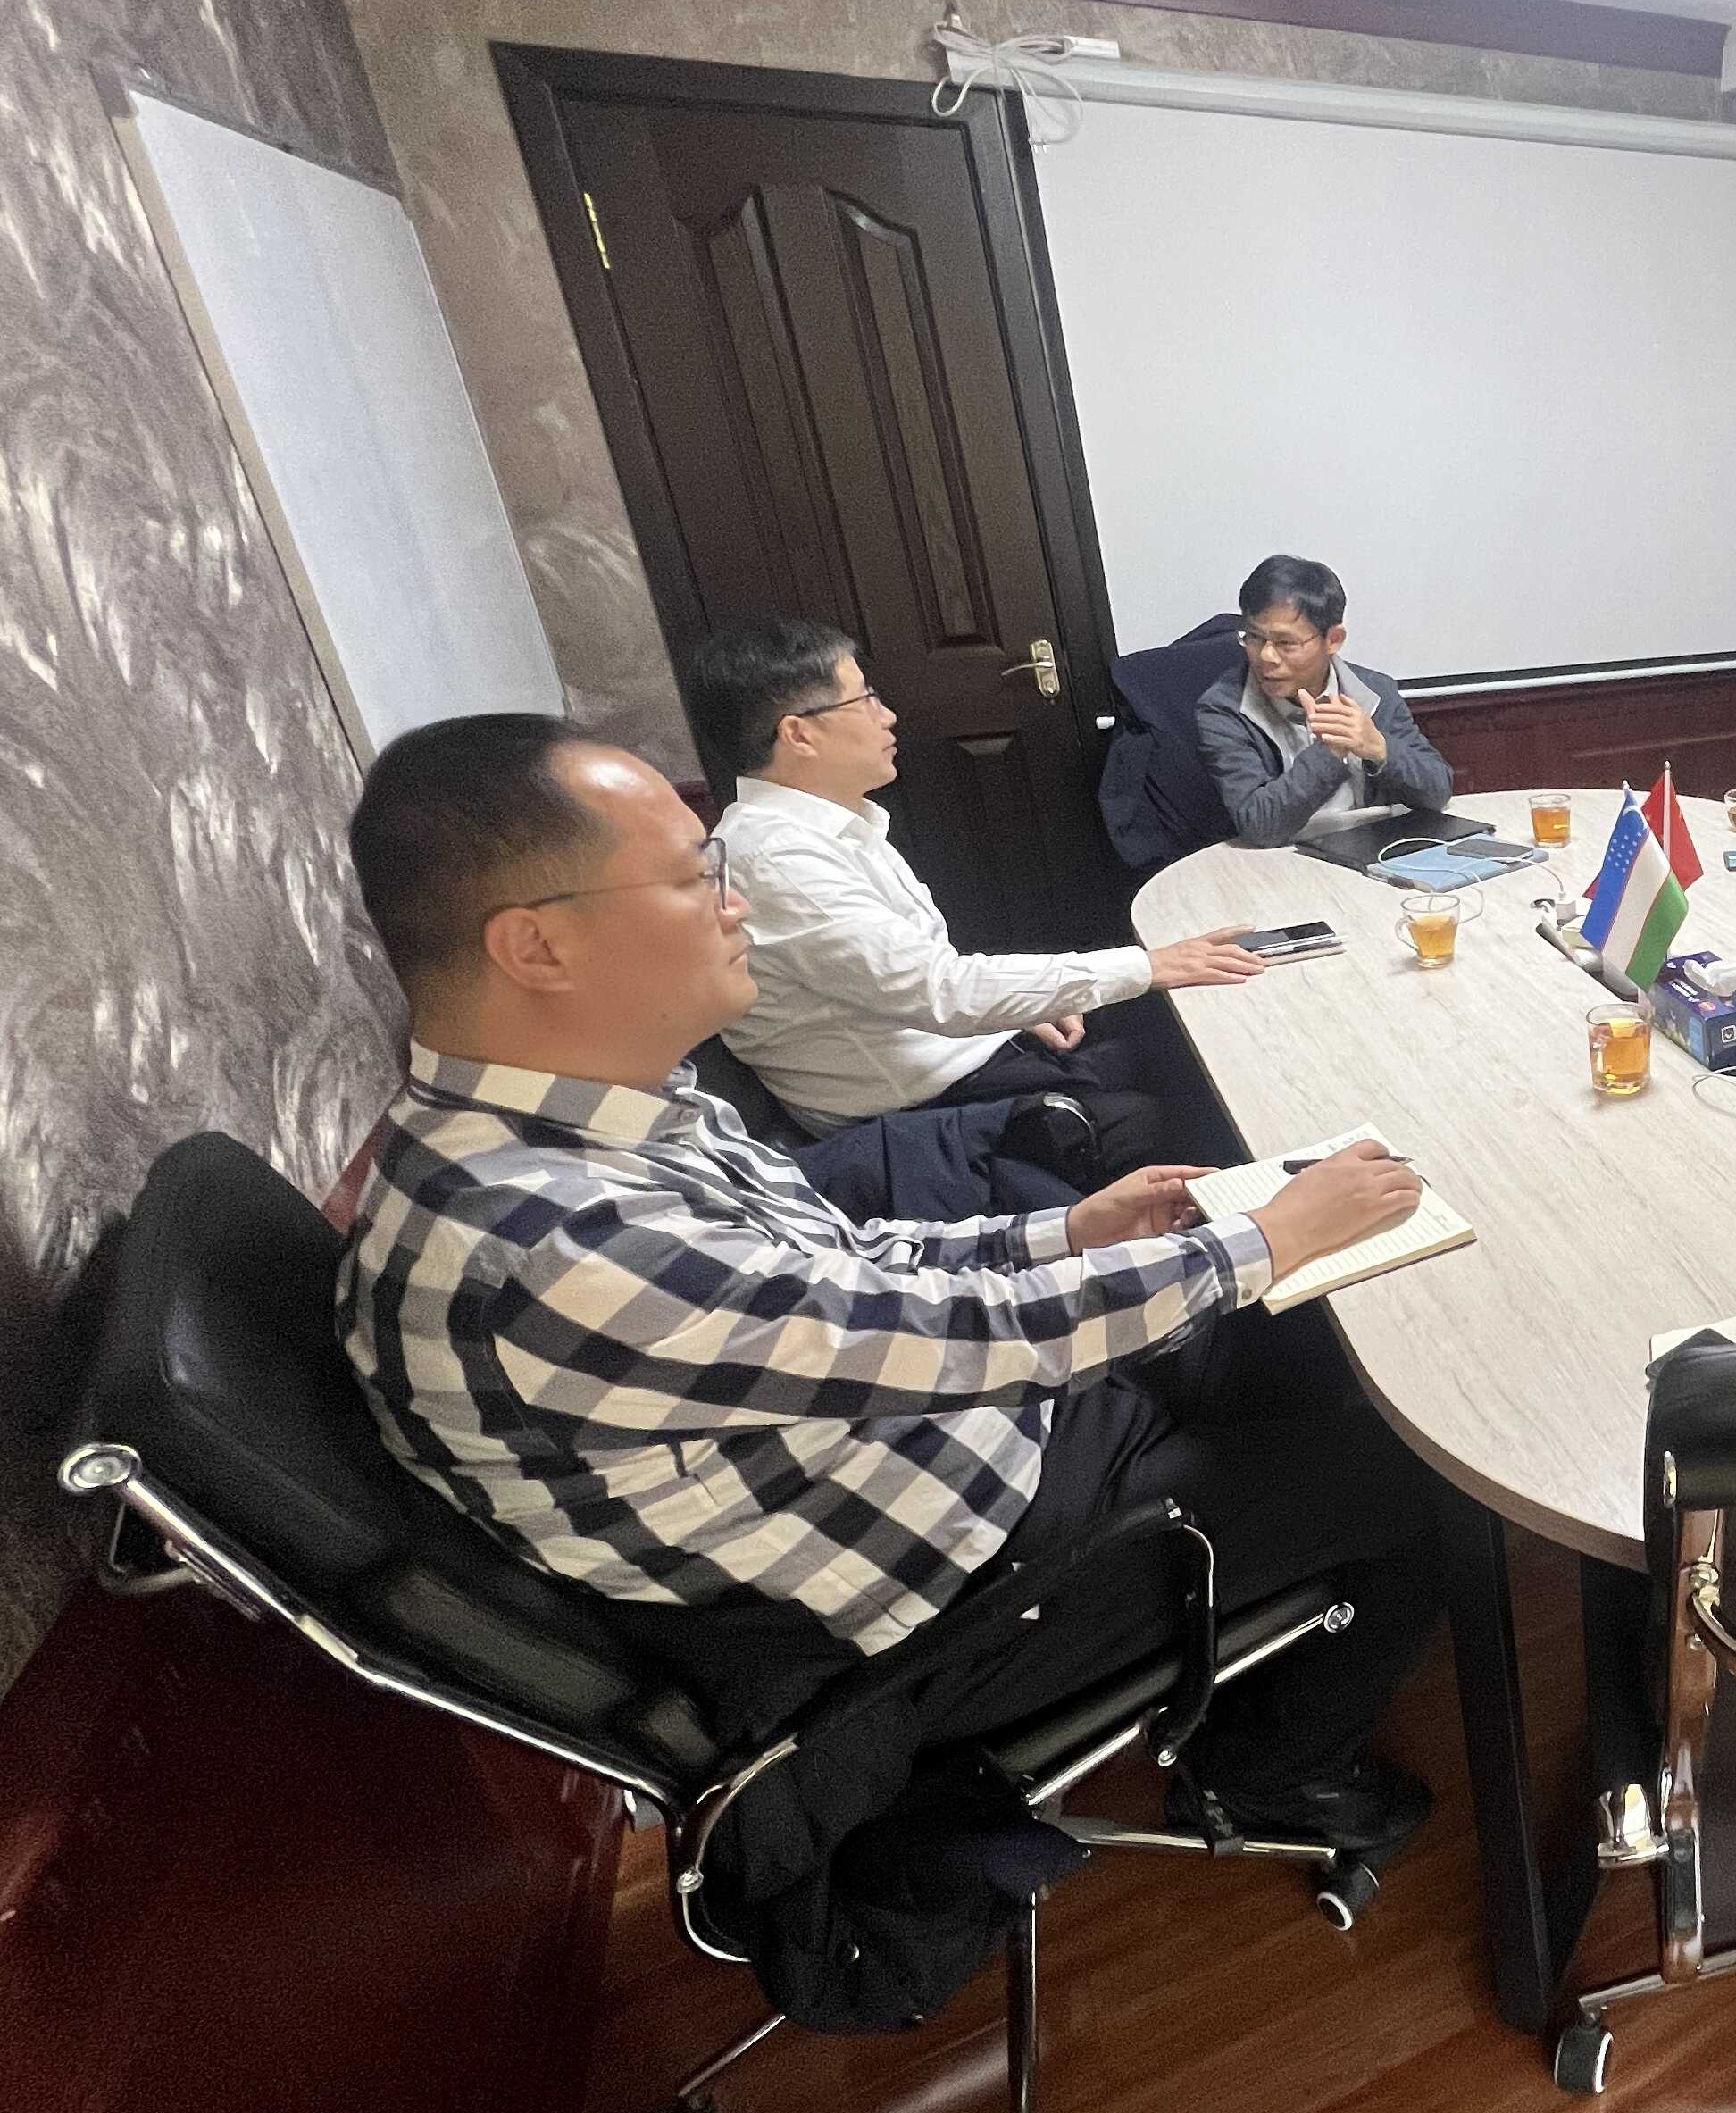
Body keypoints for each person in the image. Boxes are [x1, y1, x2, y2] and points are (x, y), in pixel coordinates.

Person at [337, 711, 1443, 1862]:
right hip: (972, 1583)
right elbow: (962, 1344)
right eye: (693, 878)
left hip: (968, 1444)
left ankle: (1276, 1634)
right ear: (537, 947)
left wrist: (1064, 1231)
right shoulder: (551, 1247)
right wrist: (1263, 1240)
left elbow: (845, 1280)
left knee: (1306, 1342)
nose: (735, 904)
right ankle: (1274, 1779)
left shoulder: (588, 1120)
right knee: (1412, 1468)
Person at [686, 617, 1260, 1173]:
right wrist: (1148, 965)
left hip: (960, 1060)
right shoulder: (776, 860)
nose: (888, 716)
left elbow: (920, 980)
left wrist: (1021, 1011)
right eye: (865, 700)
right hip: (930, 1113)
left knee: (1193, 1031)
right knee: (1210, 1104)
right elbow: (939, 990)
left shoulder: (824, 825)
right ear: (799, 734)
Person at [1190, 555, 1458, 849]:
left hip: (1375, 846)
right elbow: (1259, 825)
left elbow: (1438, 791)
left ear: (1333, 639)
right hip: (1284, 856)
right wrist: (1330, 753)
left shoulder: (1373, 692)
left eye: (1285, 643)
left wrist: (1380, 749)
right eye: (1254, 637)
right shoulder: (1224, 709)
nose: (1266, 656)